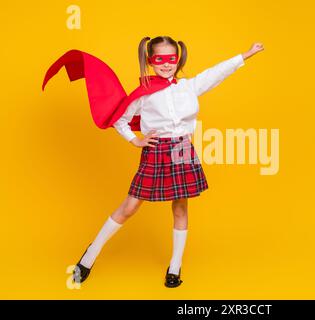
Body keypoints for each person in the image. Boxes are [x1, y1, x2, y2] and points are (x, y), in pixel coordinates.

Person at [73, 36, 264, 288]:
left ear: (178, 59)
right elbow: (121, 118)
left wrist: (245, 55)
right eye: (159, 59)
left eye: (171, 59)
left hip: (182, 149)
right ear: (150, 61)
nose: (166, 64)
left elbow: (215, 73)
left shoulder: (188, 87)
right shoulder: (144, 94)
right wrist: (135, 140)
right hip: (156, 151)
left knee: (180, 208)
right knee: (129, 207)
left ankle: (174, 267)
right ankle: (89, 256)